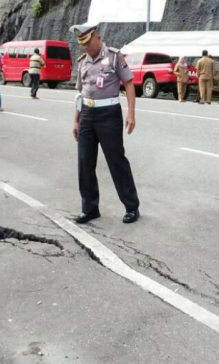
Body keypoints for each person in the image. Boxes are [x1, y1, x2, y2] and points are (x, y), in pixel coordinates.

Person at [69, 23, 140, 224]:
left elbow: (128, 83)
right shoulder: (83, 62)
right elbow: (80, 93)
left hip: (109, 114)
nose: (86, 47)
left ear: (97, 37)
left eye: (88, 42)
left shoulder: (115, 57)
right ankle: (90, 208)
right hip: (87, 115)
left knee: (116, 161)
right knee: (85, 161)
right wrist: (76, 119)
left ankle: (131, 207)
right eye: (82, 44)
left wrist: (131, 114)